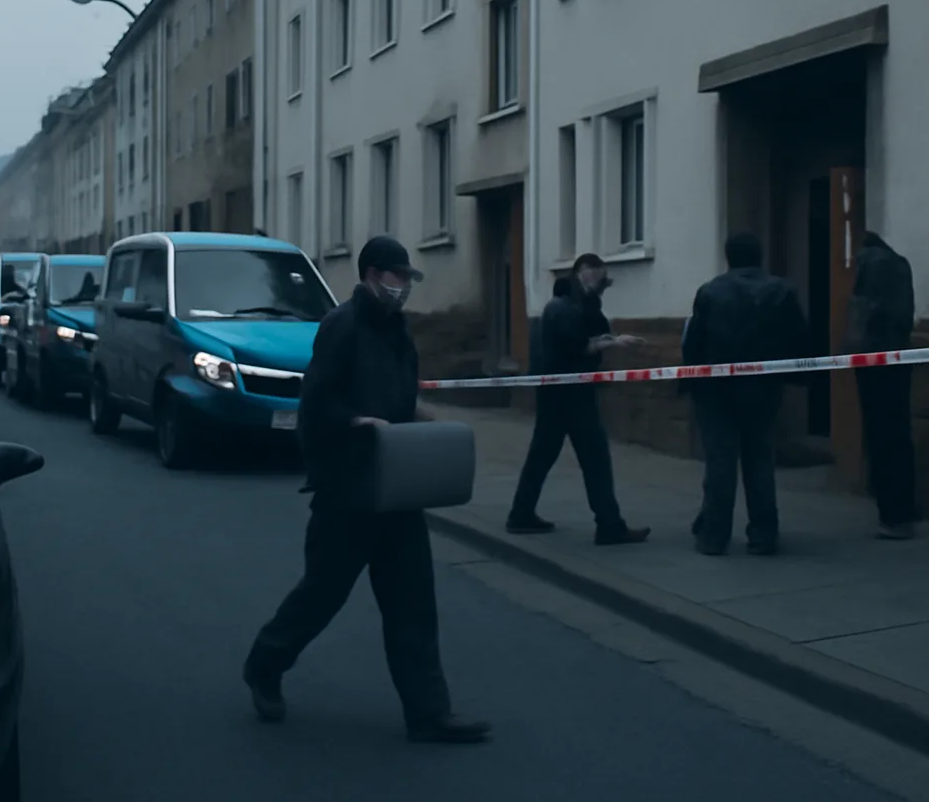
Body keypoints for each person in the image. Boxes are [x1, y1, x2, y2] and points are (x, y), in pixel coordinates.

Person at [243, 236, 490, 745]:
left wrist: (415, 415)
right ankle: (264, 664)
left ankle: (428, 713)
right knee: (322, 595)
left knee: (412, 602)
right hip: (347, 490)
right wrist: (355, 421)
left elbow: (397, 391)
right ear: (374, 275)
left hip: (396, 485)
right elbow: (316, 403)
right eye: (399, 277)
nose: (405, 287)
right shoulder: (342, 326)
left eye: (409, 279)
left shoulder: (397, 328)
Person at [506, 253, 651, 545]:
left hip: (561, 392)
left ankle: (522, 514)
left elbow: (593, 332)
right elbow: (574, 346)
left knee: (544, 456)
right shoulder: (562, 308)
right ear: (583, 271)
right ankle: (609, 524)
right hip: (568, 392)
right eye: (598, 275)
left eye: (603, 278)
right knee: (593, 457)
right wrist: (612, 342)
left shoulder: (576, 304)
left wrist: (609, 337)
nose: (601, 282)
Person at [683, 233, 808, 556]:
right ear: (759, 256)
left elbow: (695, 341)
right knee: (760, 458)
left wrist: (687, 381)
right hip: (763, 387)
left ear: (728, 257)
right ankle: (764, 533)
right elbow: (798, 336)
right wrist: (800, 376)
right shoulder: (781, 290)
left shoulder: (710, 292)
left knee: (720, 461)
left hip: (716, 389)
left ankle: (714, 536)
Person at [845, 232, 918, 539]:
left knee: (881, 435)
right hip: (898, 357)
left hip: (874, 360)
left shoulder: (869, 264)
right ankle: (904, 509)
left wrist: (851, 351)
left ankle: (892, 514)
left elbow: (862, 314)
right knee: (899, 433)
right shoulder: (900, 264)